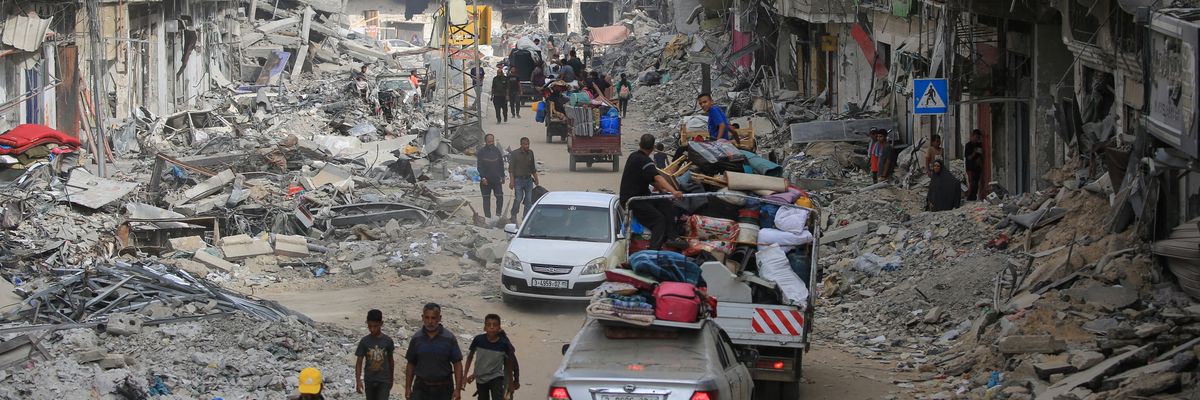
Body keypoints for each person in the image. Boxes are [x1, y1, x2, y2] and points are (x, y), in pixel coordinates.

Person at [620, 134, 684, 250]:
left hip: (642, 196)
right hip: (633, 200)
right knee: (659, 220)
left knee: (664, 202)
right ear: (653, 147)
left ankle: (672, 237)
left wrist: (662, 190)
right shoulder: (644, 161)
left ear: (640, 144)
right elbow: (657, 178)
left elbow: (650, 178)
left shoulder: (634, 156)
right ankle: (653, 251)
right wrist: (674, 191)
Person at [405, 303, 465, 400]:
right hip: (421, 388)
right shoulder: (416, 338)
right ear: (422, 317)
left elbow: (457, 364)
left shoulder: (449, 338)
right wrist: (408, 387)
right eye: (427, 317)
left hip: (444, 389)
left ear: (439, 318)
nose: (430, 321)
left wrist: (457, 389)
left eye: (433, 318)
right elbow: (411, 364)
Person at [463, 314, 520, 400]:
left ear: (499, 328)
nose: (492, 327)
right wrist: (468, 375)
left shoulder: (504, 344)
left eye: (495, 325)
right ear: (484, 328)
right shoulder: (478, 340)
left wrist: (512, 382)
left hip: (496, 377)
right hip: (481, 378)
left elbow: (511, 364)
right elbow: (474, 358)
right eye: (488, 325)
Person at [356, 309, 395, 400]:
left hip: (384, 380)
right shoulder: (364, 341)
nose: (372, 329)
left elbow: (391, 361)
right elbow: (359, 362)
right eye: (370, 326)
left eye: (375, 326)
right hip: (369, 380)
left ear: (381, 323)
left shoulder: (388, 341)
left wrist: (391, 379)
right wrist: (358, 381)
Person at [508, 137, 539, 221]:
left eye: (528, 144)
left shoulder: (530, 153)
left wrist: (536, 179)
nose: (527, 146)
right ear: (521, 144)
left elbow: (533, 168)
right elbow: (511, 169)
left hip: (528, 180)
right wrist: (512, 181)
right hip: (518, 181)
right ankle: (513, 214)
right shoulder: (515, 154)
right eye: (525, 144)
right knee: (518, 198)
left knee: (529, 201)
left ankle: (526, 218)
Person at [476, 134, 504, 218]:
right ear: (486, 142)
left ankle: (498, 214)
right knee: (486, 200)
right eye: (489, 142)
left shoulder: (497, 150)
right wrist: (483, 177)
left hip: (496, 180)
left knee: (500, 197)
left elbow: (501, 164)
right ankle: (487, 217)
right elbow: (479, 166)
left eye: (492, 141)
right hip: (486, 181)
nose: (491, 143)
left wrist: (502, 176)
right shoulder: (481, 152)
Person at [965, 129, 985, 200]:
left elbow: (980, 155)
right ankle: (969, 197)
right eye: (976, 137)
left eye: (978, 137)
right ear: (972, 136)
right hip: (970, 167)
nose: (976, 139)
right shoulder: (968, 145)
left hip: (977, 167)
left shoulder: (979, 145)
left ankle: (974, 196)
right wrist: (974, 152)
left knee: (976, 183)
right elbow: (968, 157)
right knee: (971, 183)